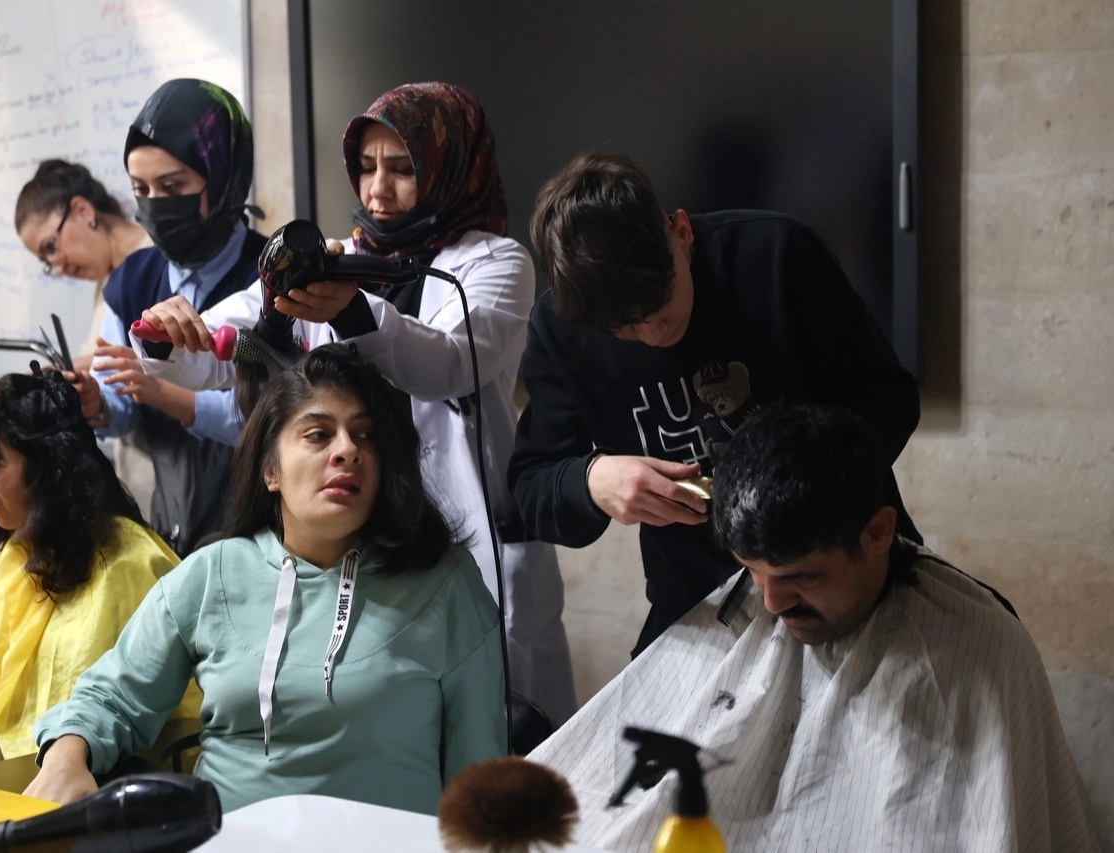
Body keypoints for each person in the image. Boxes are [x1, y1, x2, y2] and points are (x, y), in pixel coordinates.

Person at [132, 82, 577, 727]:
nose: (377, 190)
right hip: (364, 528)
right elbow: (228, 348)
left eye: (402, 170)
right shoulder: (336, 261)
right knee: (387, 721)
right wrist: (166, 334)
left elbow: (451, 363)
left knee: (500, 723)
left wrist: (352, 310)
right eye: (366, 168)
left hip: (472, 532)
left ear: (450, 168)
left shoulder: (496, 263)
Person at [530, 404, 1100, 852]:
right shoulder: (741, 607)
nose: (771, 602)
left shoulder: (975, 642)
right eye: (754, 573)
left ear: (878, 533)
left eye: (802, 577)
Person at [27, 344, 506, 814]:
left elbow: (481, 773)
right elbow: (112, 697)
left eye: (367, 436)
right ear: (271, 470)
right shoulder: (212, 573)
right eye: (318, 435)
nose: (347, 451)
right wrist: (66, 755)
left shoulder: (445, 582)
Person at [509, 151, 922, 657]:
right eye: (625, 330)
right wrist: (593, 481)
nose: (653, 335)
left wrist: (809, 487)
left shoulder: (776, 254)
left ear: (681, 232)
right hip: (698, 599)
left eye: (660, 306)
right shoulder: (559, 331)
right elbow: (532, 487)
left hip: (834, 567)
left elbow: (890, 398)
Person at [0, 371, 199, 776]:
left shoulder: (128, 565)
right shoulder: (17, 551)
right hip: (9, 774)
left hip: (90, 779)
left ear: (46, 466)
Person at [65, 78, 265, 555]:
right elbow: (120, 403)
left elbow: (271, 415)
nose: (154, 204)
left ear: (225, 177)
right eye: (141, 189)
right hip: (169, 529)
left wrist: (162, 391)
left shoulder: (270, 277)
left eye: (173, 186)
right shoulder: (131, 280)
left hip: (262, 532)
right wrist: (94, 402)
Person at [15, 159, 156, 518]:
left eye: (51, 246)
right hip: (144, 485)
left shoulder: (157, 258)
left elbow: (149, 359)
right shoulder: (106, 285)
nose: (58, 266)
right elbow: (113, 392)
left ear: (82, 211)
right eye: (47, 261)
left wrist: (68, 368)